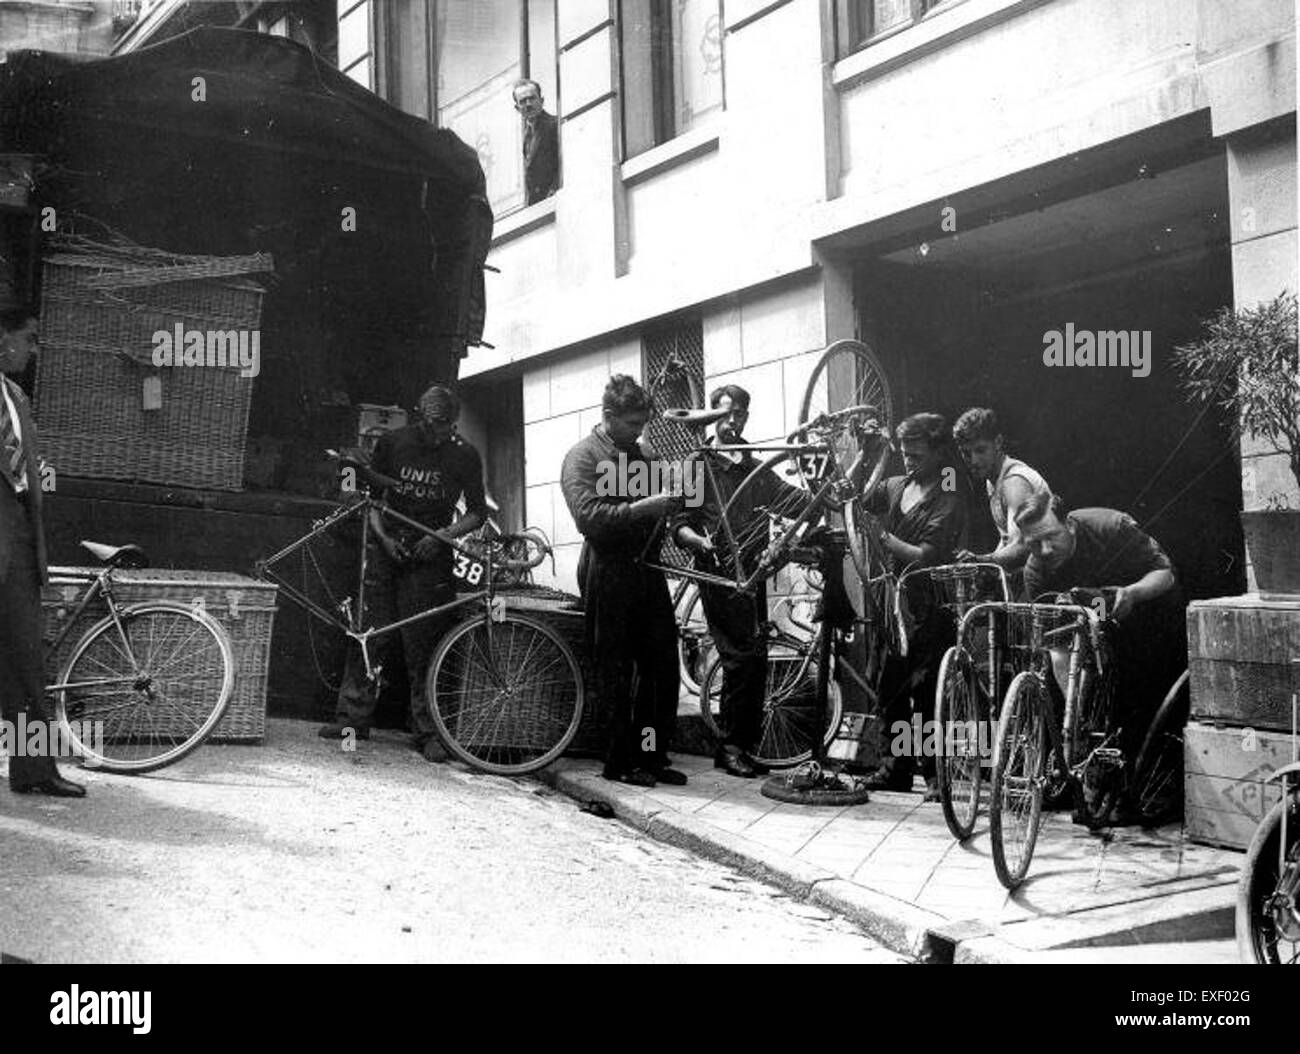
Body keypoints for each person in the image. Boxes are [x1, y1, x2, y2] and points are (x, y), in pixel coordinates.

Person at [319, 385, 488, 761]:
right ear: (417, 415)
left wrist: (441, 538)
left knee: (423, 643)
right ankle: (351, 721)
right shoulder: (393, 443)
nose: (436, 433)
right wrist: (383, 539)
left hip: (431, 555)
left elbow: (478, 512)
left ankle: (427, 731)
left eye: (444, 426)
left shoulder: (465, 456)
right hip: (386, 547)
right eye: (430, 424)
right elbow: (373, 499)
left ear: (454, 422)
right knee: (368, 633)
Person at [673, 385, 808, 778]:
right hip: (717, 570)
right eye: (727, 414)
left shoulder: (755, 465)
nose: (735, 421)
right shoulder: (699, 464)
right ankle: (731, 747)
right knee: (740, 658)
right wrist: (700, 541)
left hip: (753, 572)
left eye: (741, 414)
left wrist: (822, 495)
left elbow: (788, 499)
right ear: (712, 416)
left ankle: (742, 746)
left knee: (755, 656)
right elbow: (679, 524)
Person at [1015, 491, 1185, 797]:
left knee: (1140, 692)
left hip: (1146, 613)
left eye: (1051, 537)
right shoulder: (1036, 572)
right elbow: (1057, 646)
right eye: (1034, 544)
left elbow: (1165, 574)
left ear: (1069, 524)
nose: (1045, 549)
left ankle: (1140, 786)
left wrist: (1132, 593)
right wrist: (1075, 706)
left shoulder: (1112, 527)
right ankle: (1077, 774)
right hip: (1091, 623)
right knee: (1073, 697)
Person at [560, 375, 685, 787]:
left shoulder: (643, 455)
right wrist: (645, 506)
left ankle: (651, 755)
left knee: (660, 668)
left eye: (643, 424)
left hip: (647, 570)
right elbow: (590, 519)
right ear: (608, 416)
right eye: (632, 425)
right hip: (607, 569)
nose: (640, 433)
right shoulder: (582, 457)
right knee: (614, 669)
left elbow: (665, 508)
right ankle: (618, 761)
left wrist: (675, 514)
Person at [856, 412, 967, 797]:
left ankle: (936, 775)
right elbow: (853, 496)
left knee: (927, 687)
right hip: (892, 604)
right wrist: (867, 453)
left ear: (938, 453)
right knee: (890, 684)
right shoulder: (895, 485)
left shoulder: (948, 492)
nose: (909, 462)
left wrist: (884, 539)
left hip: (928, 604)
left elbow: (928, 555)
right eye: (904, 454)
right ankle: (895, 769)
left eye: (917, 456)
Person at [0, 306, 84, 797]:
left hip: (16, 543)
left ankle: (34, 770)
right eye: (27, 339)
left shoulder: (16, 397)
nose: (33, 350)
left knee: (24, 662)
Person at [952, 407, 1050, 572]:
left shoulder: (1014, 482)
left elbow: (1022, 548)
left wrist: (980, 562)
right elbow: (1008, 539)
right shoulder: (994, 480)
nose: (974, 461)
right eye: (966, 453)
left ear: (997, 442)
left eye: (980, 450)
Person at [513, 78, 559, 206]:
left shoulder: (555, 125)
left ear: (541, 100)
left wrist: (553, 192)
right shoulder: (526, 136)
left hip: (554, 202)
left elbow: (563, 163)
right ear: (517, 108)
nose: (528, 104)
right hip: (538, 206)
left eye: (532, 98)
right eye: (522, 101)